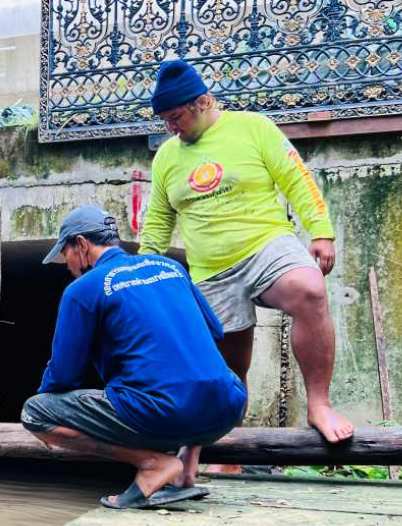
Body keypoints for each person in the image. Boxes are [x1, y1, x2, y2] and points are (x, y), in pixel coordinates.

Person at [138, 60, 354, 455]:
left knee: (309, 289)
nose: (171, 127)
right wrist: (142, 272)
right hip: (211, 272)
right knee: (229, 370)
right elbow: (157, 222)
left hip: (266, 246)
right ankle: (229, 446)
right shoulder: (167, 157)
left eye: (176, 117)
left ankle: (319, 406)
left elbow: (296, 178)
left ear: (203, 102)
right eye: (164, 121)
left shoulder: (253, 127)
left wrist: (321, 230)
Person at [21, 206, 248, 509]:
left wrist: (50, 411)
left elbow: (64, 376)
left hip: (163, 414)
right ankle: (187, 470)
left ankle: (153, 463)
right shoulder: (169, 267)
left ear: (81, 245)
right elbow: (215, 331)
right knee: (191, 374)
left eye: (67, 256)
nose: (69, 267)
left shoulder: (82, 289)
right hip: (227, 408)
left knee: (35, 412)